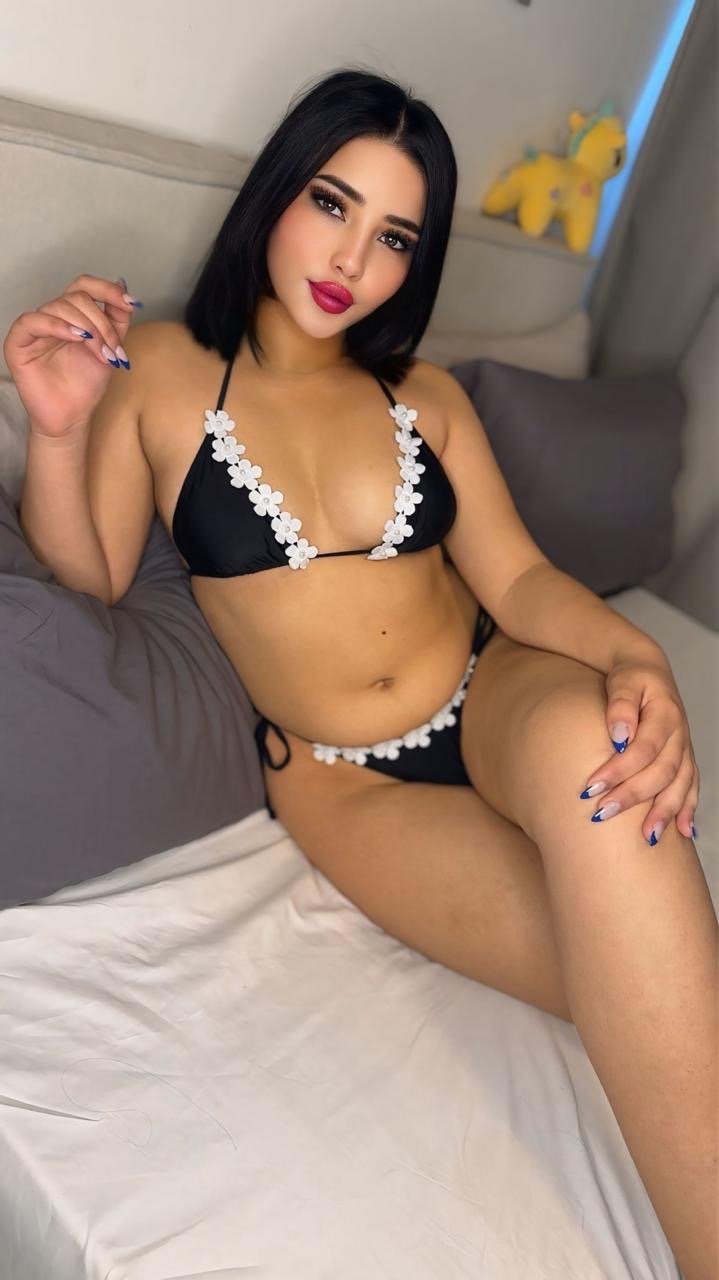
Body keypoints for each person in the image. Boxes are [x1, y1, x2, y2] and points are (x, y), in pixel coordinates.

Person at [4, 67, 716, 1280]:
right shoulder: (162, 366)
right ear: (277, 191)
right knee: (641, 980)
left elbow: (517, 580)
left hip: (490, 687)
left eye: (393, 237)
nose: (352, 259)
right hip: (344, 781)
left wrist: (636, 657)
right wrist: (60, 433)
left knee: (607, 772)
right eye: (331, 204)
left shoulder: (422, 396)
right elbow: (94, 580)